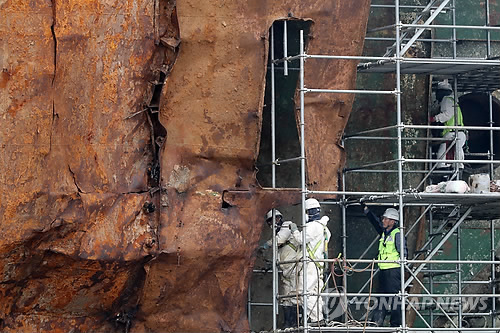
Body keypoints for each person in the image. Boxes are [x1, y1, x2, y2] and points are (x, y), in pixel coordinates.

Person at [361, 203, 408, 327]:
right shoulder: (385, 232)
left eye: (386, 219)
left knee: (394, 299)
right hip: (384, 270)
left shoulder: (397, 233)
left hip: (393, 270)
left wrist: (403, 264)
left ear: (392, 221)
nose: (383, 220)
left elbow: (403, 251)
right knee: (381, 297)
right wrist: (367, 211)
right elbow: (375, 223)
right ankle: (376, 322)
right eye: (384, 218)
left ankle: (396, 324)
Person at [292, 198, 331, 324]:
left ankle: (315, 319)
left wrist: (294, 231)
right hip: (318, 265)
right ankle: (317, 318)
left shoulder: (312, 227)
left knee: (305, 292)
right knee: (315, 293)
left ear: (307, 212)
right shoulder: (325, 228)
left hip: (310, 265)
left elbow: (301, 239)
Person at [262, 209, 302, 328]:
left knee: (295, 295)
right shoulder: (276, 233)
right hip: (285, 269)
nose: (272, 223)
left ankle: (296, 323)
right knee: (285, 297)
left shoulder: (286, 226)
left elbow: (279, 240)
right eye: (270, 222)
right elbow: (279, 253)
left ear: (280, 218)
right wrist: (272, 264)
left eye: (275, 220)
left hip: (293, 267)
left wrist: (265, 245)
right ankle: (288, 323)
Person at [430, 80, 466, 170]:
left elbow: (447, 114)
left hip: (452, 133)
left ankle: (443, 171)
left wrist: (434, 119)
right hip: (460, 133)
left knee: (443, 154)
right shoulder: (454, 102)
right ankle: (457, 170)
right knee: (457, 153)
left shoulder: (446, 100)